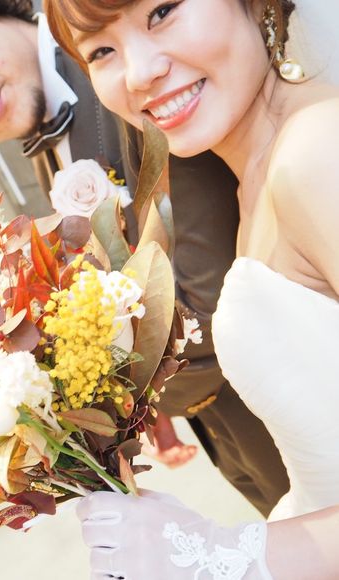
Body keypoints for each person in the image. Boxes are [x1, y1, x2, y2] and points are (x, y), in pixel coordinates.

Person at [0, 0, 290, 518]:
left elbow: (213, 297)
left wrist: (104, 408)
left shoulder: (127, 74)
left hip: (281, 383)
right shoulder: (44, 150)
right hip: (226, 429)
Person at [45, 0, 339, 575]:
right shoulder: (257, 176)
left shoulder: (316, 156)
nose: (138, 74)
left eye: (162, 11)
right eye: (101, 50)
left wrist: (218, 552)